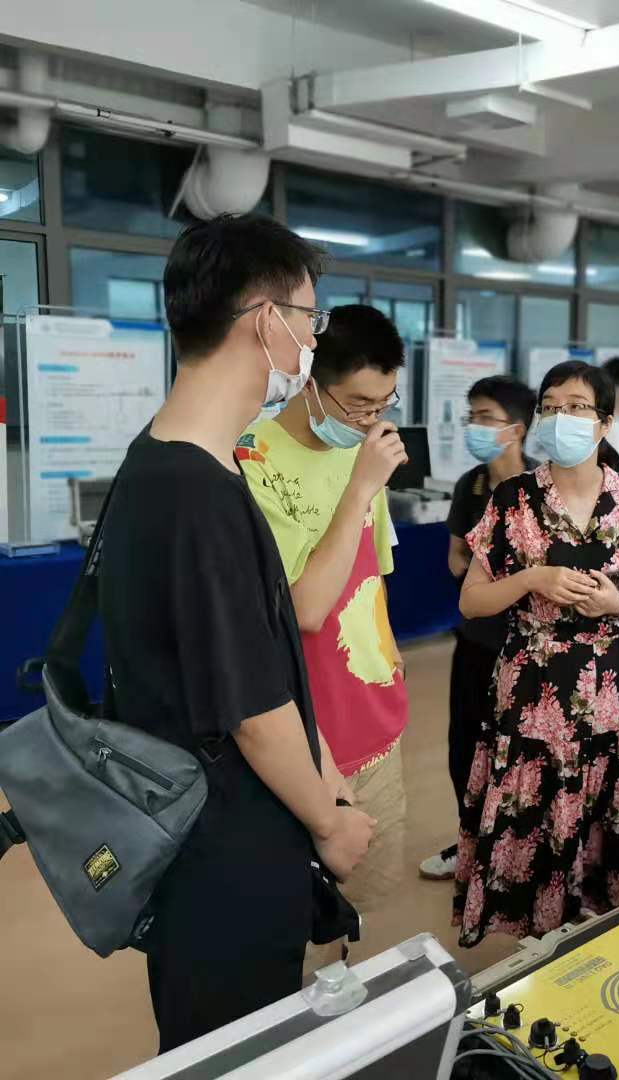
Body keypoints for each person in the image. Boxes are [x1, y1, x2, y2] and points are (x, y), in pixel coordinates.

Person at [98, 215, 375, 1052]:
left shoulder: (172, 463)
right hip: (220, 858)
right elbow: (251, 712)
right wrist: (330, 822)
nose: (314, 343)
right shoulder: (194, 494)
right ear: (266, 321)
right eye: (311, 320)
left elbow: (259, 655)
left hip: (211, 840)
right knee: (235, 1052)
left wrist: (325, 770)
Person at [453, 360, 619, 946]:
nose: (560, 417)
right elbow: (472, 601)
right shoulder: (513, 499)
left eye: (576, 407)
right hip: (532, 686)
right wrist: (532, 579)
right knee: (536, 808)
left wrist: (616, 604)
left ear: (605, 422)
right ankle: (534, 936)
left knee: (608, 806)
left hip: (614, 687)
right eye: (550, 407)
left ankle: (598, 925)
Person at [238, 304, 410, 934]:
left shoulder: (363, 452)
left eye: (384, 404)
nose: (371, 421)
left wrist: (391, 669)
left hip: (376, 716)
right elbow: (306, 609)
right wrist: (361, 486)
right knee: (294, 925)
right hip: (305, 740)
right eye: (358, 404)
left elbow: (372, 577)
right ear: (309, 379)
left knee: (358, 914)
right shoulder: (251, 460)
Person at [419, 375, 538, 881]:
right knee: (464, 746)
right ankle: (470, 843)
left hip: (527, 646)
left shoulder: (541, 487)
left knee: (519, 750)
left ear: (517, 429)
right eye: (472, 416)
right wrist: (495, 575)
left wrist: (491, 574)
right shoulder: (470, 486)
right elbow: (454, 558)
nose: (474, 426)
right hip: (475, 639)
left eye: (486, 417)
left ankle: (515, 850)